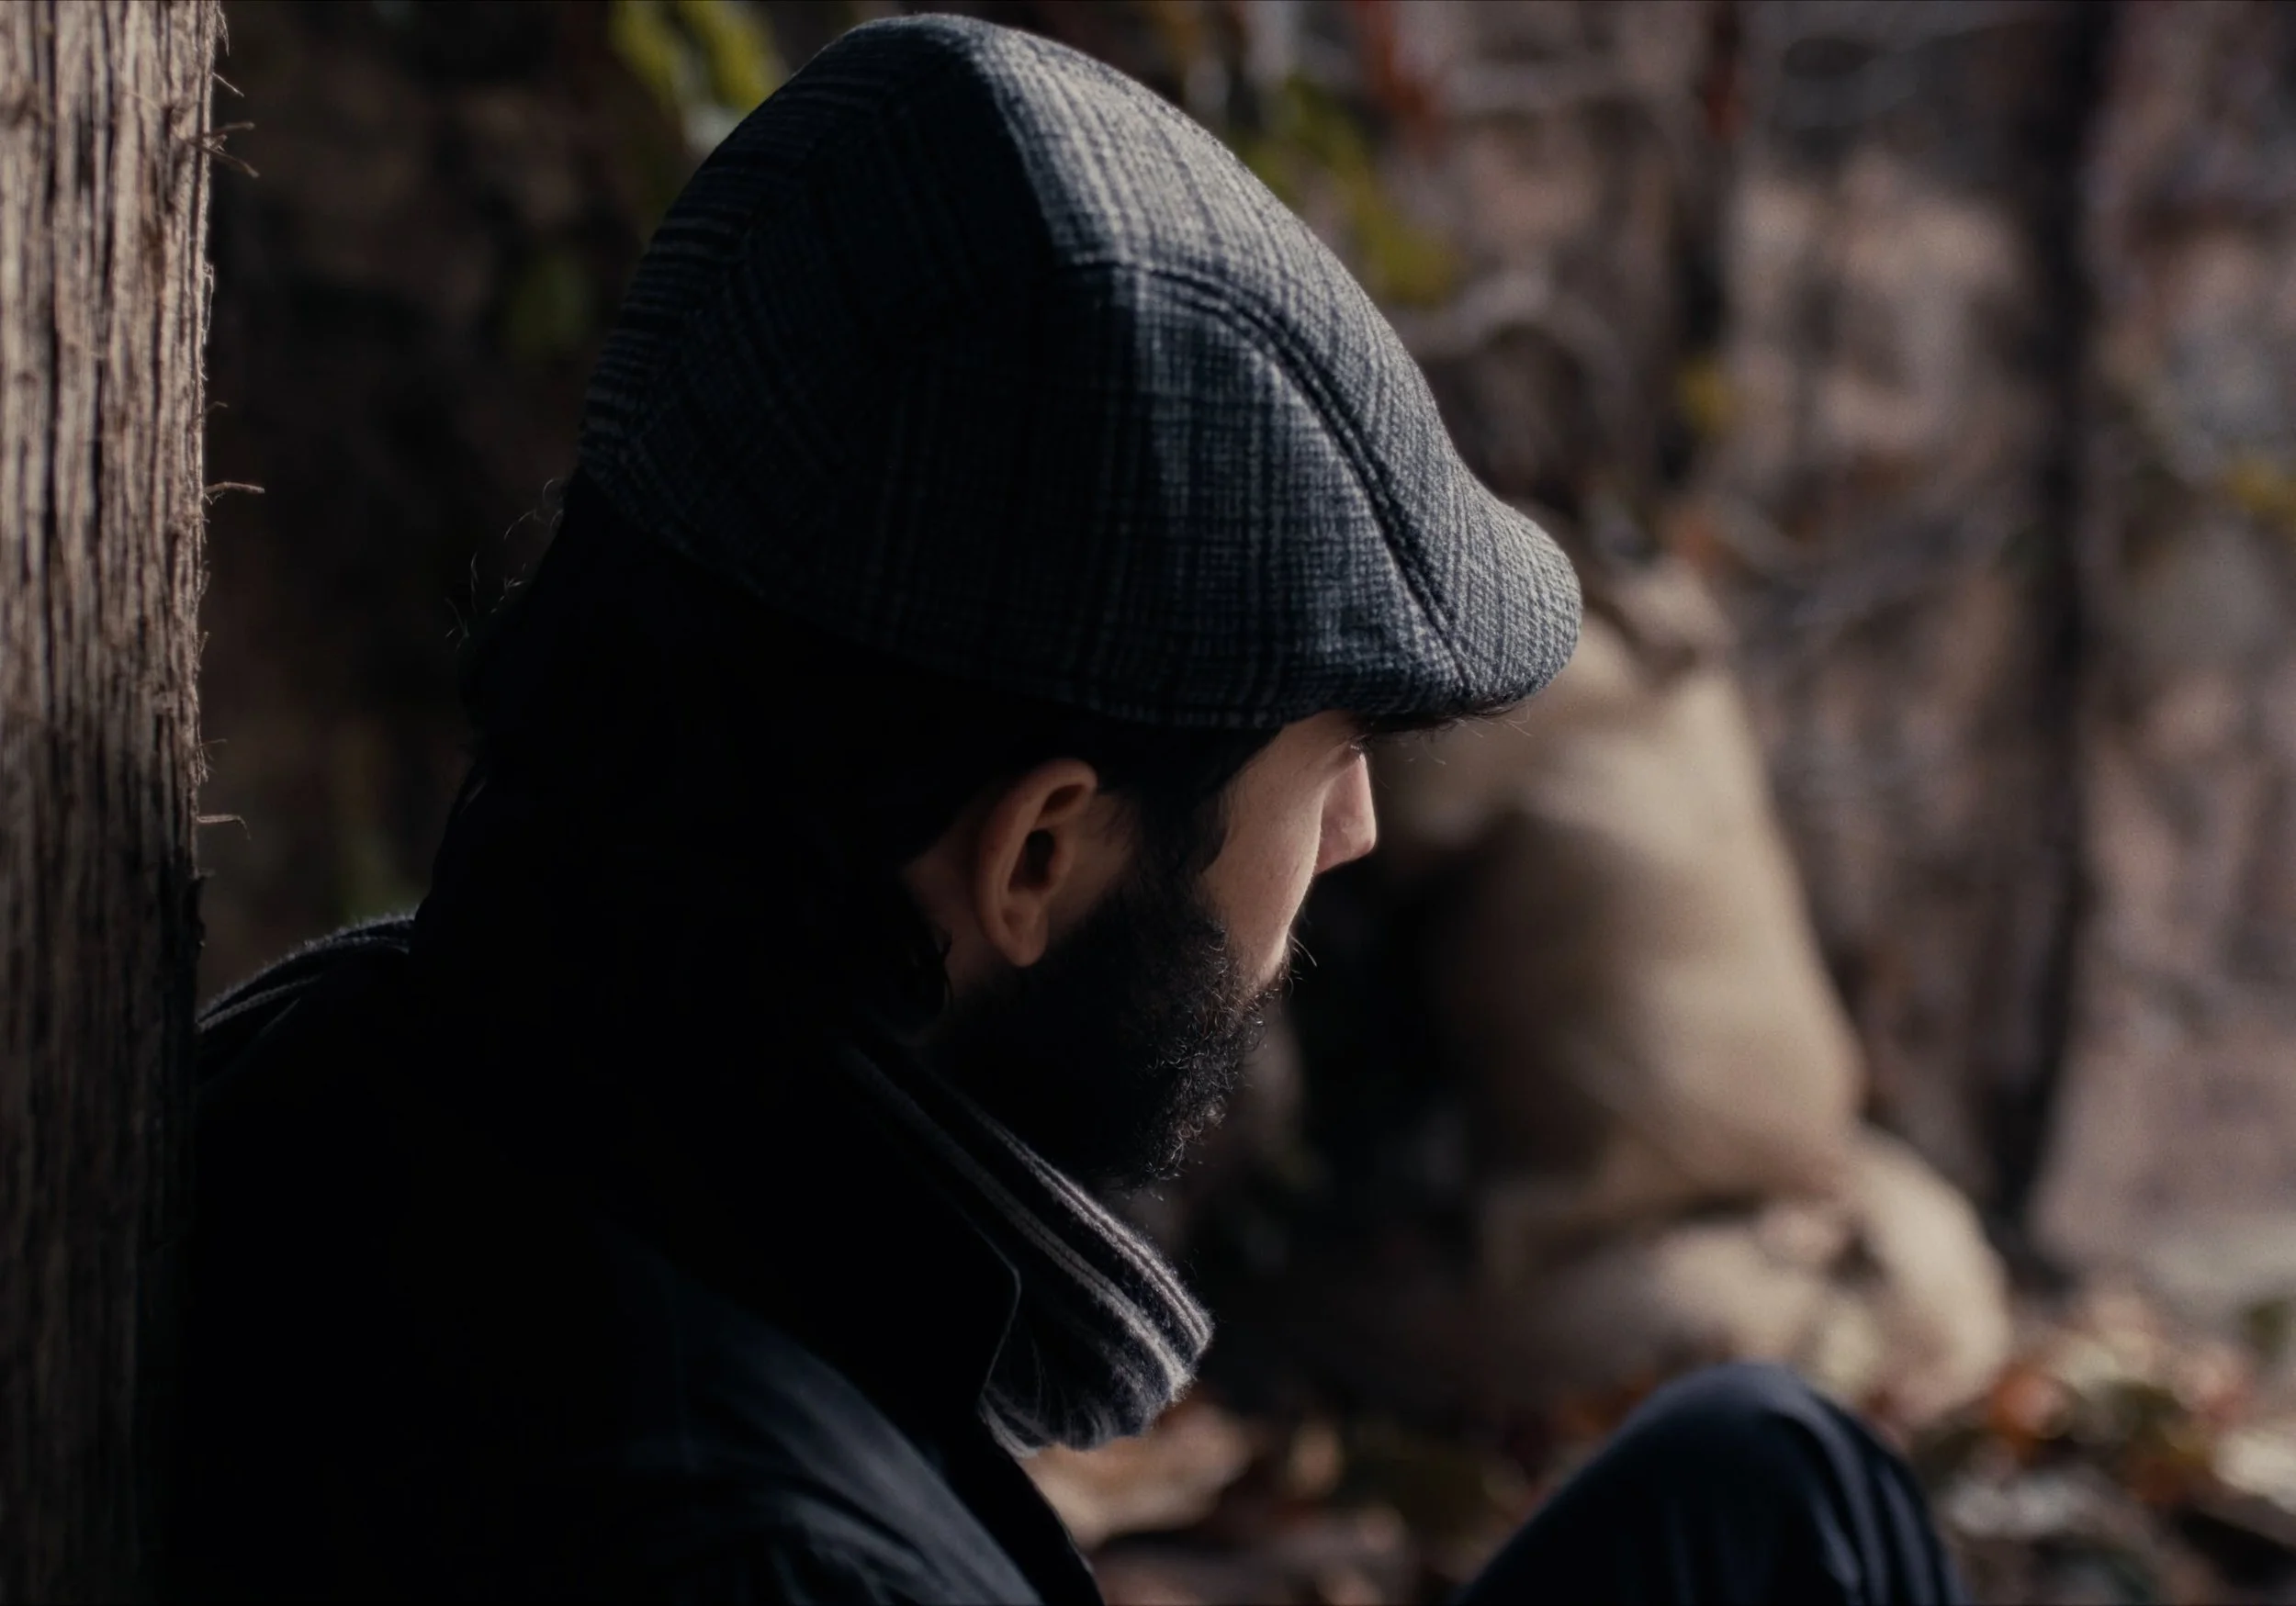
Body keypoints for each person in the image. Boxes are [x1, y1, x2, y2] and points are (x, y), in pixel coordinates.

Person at [174, 15, 1964, 1603]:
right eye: (1323, 763)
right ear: (1037, 852)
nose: (1345, 840)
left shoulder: (430, 1065)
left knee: (1769, 1482)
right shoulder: (761, 1543)